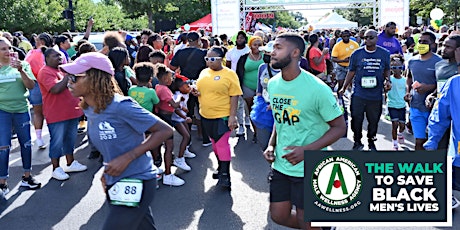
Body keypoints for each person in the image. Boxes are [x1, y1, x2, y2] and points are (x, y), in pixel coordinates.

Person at [62, 52, 172, 229]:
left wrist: (128, 157)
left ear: (95, 79)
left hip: (137, 180)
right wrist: (108, 170)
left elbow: (165, 130)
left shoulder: (121, 105)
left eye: (75, 77)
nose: (69, 81)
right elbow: (112, 147)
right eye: (69, 77)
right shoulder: (90, 109)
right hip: (116, 181)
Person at [263, 33, 345, 230]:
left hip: (310, 167)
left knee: (306, 222)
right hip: (282, 165)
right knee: (278, 216)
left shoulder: (317, 88)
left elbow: (340, 127)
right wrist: (271, 144)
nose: (272, 52)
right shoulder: (273, 84)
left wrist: (306, 150)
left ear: (295, 53)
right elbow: (280, 119)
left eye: (278, 47)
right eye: (273, 47)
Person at [192, 46, 242, 189]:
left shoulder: (230, 74)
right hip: (206, 114)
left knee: (222, 144)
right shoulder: (203, 72)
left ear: (221, 59)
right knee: (214, 144)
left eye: (212, 59)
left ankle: (225, 177)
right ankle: (221, 168)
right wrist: (196, 92)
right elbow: (201, 89)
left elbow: (234, 95)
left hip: (223, 115)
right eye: (207, 59)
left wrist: (232, 116)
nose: (209, 62)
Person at [37, 48, 87, 180]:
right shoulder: (45, 72)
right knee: (57, 142)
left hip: (72, 111)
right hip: (56, 114)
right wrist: (67, 76)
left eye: (60, 56)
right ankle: (56, 168)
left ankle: (70, 163)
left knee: (70, 140)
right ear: (47, 58)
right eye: (55, 56)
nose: (59, 58)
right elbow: (55, 89)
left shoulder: (63, 69)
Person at [0, 37, 42, 197]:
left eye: (9, 48)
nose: (8, 51)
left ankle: (27, 177)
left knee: (26, 144)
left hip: (21, 109)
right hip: (2, 110)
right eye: (3, 49)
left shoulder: (23, 64)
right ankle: (2, 182)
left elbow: (31, 86)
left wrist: (21, 70)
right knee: (3, 147)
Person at [338, 29, 392, 151]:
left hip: (375, 95)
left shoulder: (384, 53)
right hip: (359, 94)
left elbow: (387, 69)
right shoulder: (356, 54)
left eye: (370, 37)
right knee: (356, 119)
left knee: (373, 121)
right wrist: (344, 87)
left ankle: (371, 140)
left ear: (376, 38)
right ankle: (357, 141)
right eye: (365, 38)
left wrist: (387, 80)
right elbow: (351, 71)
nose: (367, 40)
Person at [170, 32, 210, 146]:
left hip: (185, 85)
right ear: (199, 41)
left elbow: (172, 67)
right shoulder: (204, 53)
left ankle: (187, 141)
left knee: (187, 111)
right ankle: (206, 139)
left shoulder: (180, 52)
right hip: (201, 84)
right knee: (203, 110)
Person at [404, 31, 442, 150]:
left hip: (434, 109)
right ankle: (419, 166)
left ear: (433, 45)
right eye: (419, 41)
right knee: (419, 141)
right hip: (416, 107)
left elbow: (443, 85)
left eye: (425, 42)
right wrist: (408, 92)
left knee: (432, 143)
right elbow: (409, 78)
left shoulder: (440, 62)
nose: (421, 44)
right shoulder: (412, 61)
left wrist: (429, 87)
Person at [155, 63, 186, 186]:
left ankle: (160, 169)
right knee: (169, 147)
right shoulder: (164, 89)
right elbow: (174, 104)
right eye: (170, 77)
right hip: (166, 119)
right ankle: (168, 175)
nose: (172, 79)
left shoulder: (158, 87)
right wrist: (179, 98)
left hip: (161, 118)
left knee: (159, 146)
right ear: (164, 78)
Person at [24, 32, 54, 149]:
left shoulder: (31, 53)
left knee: (37, 112)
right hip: (49, 82)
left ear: (41, 42)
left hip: (35, 84)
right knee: (52, 111)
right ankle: (54, 136)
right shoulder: (52, 53)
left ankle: (39, 138)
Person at [250, 41, 279, 150]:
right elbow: (259, 88)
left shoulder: (285, 69)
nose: (267, 55)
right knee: (264, 142)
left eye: (269, 53)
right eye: (265, 52)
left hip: (280, 107)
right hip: (264, 108)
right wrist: (259, 102)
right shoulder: (262, 67)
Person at [235, 35, 264, 142]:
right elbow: (238, 72)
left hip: (263, 87)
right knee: (252, 109)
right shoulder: (244, 58)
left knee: (263, 109)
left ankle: (265, 132)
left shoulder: (266, 56)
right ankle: (256, 132)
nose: (257, 47)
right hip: (247, 86)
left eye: (259, 45)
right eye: (255, 44)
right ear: (250, 46)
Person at [226, 31, 251, 137]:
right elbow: (228, 66)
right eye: (238, 38)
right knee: (238, 104)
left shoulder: (249, 51)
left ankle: (247, 119)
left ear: (245, 39)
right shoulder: (231, 52)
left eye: (242, 38)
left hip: (246, 80)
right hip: (234, 80)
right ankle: (241, 126)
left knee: (247, 103)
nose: (240, 40)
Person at [386, 54, 407, 150]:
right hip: (392, 105)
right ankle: (394, 143)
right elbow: (385, 90)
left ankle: (400, 134)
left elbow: (407, 92)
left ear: (402, 67)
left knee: (402, 125)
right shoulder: (389, 79)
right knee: (394, 124)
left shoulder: (405, 80)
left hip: (402, 106)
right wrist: (386, 88)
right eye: (394, 67)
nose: (396, 70)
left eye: (399, 67)